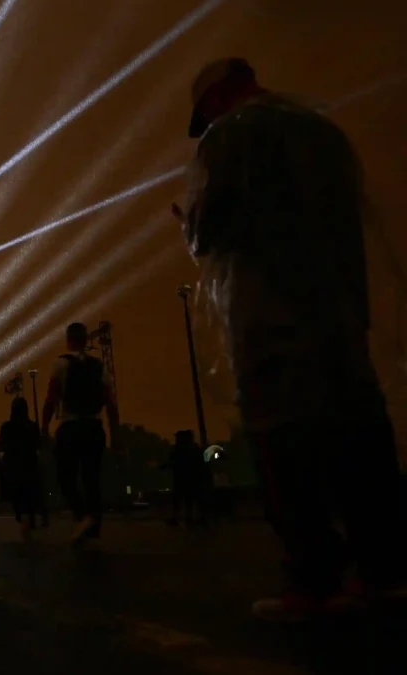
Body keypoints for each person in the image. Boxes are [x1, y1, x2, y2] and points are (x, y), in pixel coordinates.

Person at [180, 58, 406, 619]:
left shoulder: (231, 137)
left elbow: (210, 230)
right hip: (339, 311)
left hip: (270, 314)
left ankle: (313, 579)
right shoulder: (322, 129)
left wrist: (190, 225)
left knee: (284, 441)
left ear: (216, 98)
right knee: (359, 434)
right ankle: (383, 570)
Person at [42, 322, 116, 546]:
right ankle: (92, 526)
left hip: (70, 426)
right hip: (94, 426)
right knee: (92, 478)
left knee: (65, 477)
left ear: (68, 340)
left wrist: (44, 427)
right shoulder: (99, 366)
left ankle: (82, 515)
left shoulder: (61, 364)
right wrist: (116, 434)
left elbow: (52, 397)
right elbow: (110, 402)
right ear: (86, 340)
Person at [0, 397, 42, 539]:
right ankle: (28, 517)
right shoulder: (32, 426)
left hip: (12, 466)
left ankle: (23, 517)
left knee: (16, 495)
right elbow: (38, 445)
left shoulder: (6, 427)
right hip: (29, 465)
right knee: (29, 494)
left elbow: (1, 446)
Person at [160, 430, 207, 527]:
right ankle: (189, 519)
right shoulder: (194, 449)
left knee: (181, 499)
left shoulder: (179, 450)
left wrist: (161, 467)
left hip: (182, 478)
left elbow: (172, 462)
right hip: (190, 478)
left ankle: (181, 518)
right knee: (188, 499)